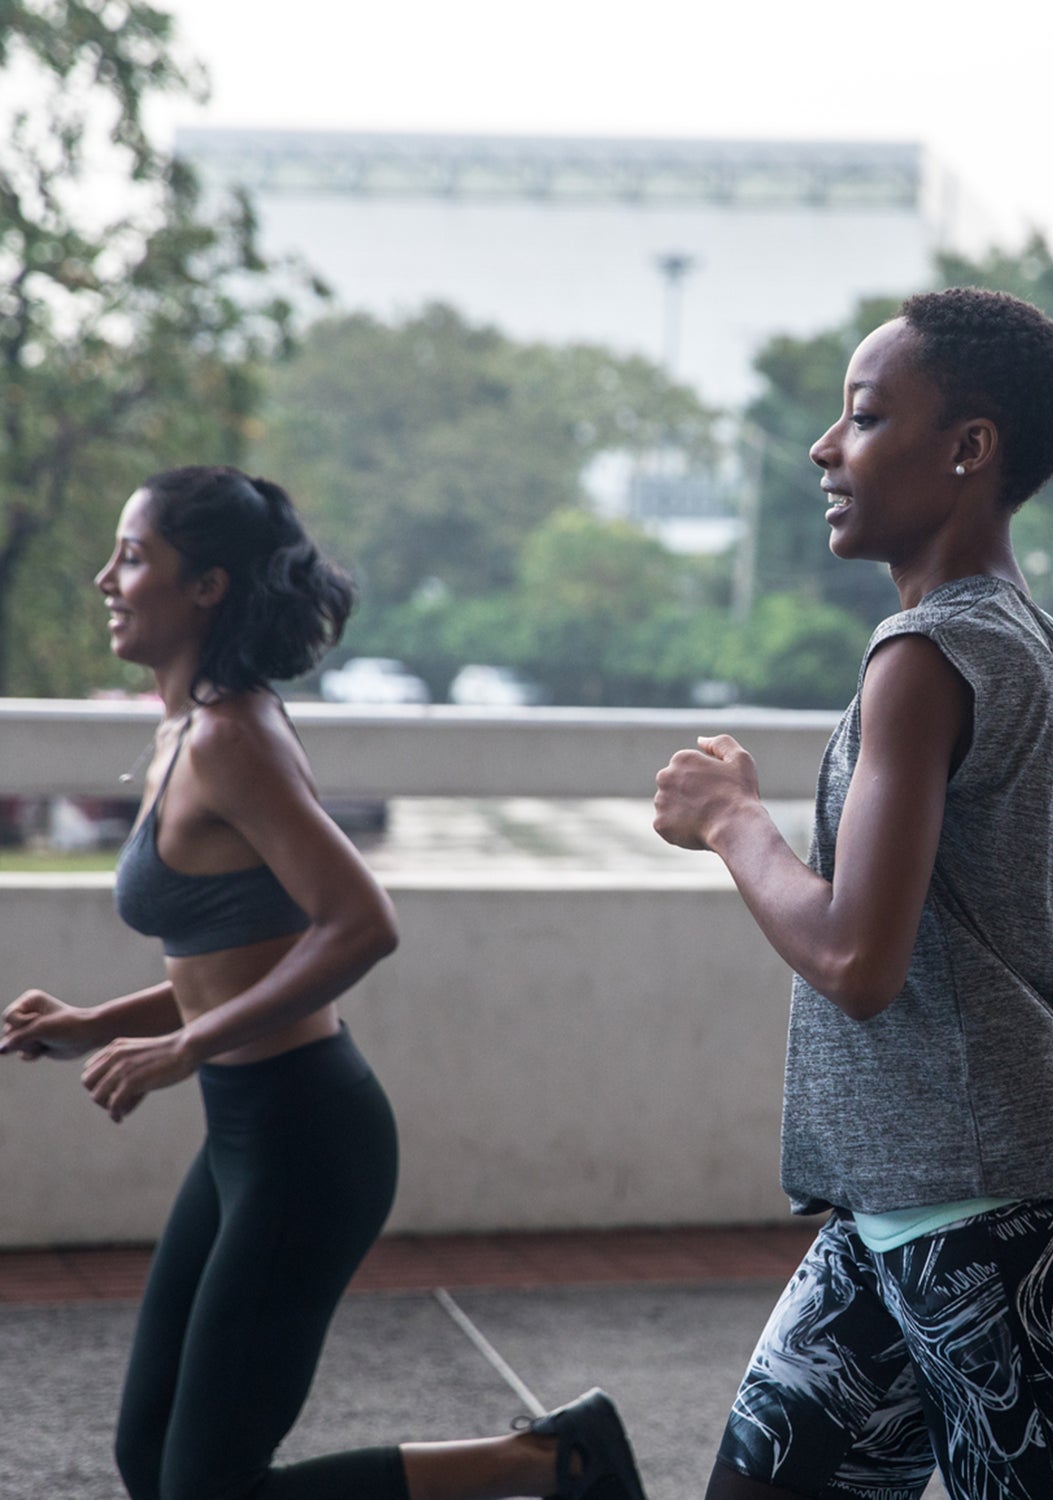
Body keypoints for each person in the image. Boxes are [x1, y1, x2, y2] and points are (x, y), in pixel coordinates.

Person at [653, 287, 1053, 1500]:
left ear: (969, 447)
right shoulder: (1045, 651)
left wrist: (732, 821)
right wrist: (1003, 951)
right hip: (897, 1209)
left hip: (1003, 1224)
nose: (825, 449)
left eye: (861, 418)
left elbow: (860, 961)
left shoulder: (924, 660)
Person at [1, 466, 647, 1500]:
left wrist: (185, 1049)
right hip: (246, 1132)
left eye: (132, 557)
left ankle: (548, 1460)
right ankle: (557, 1459)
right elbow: (242, 964)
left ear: (206, 585)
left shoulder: (232, 739)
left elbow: (360, 924)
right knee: (149, 1461)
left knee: (206, 1490)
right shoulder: (189, 729)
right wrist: (97, 1023)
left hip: (308, 1137)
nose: (104, 578)